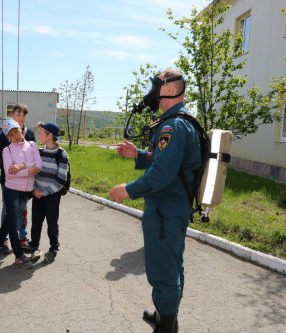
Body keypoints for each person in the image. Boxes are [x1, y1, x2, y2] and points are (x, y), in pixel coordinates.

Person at [109, 69, 201, 333]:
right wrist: (137, 154)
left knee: (163, 270)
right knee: (172, 265)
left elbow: (162, 173)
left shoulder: (173, 125)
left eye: (157, 85)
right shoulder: (180, 121)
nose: (152, 91)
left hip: (165, 210)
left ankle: (166, 326)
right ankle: (165, 316)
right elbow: (170, 161)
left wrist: (128, 190)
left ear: (171, 89)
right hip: (172, 207)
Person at [0, 119, 41, 269]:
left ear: (21, 129)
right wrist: (30, 169)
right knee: (13, 221)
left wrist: (21, 166)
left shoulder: (32, 145)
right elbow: (10, 174)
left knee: (10, 220)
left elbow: (39, 165)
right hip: (12, 191)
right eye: (11, 134)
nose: (15, 135)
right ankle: (19, 255)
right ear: (7, 138)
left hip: (26, 191)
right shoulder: (6, 150)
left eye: (16, 130)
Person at [0, 104, 36, 253]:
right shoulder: (6, 134)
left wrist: (23, 164)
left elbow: (34, 158)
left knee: (22, 210)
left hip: (26, 182)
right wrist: (13, 159)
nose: (21, 118)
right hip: (9, 180)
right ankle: (4, 241)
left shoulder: (30, 134)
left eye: (24, 115)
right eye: (18, 115)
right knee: (7, 210)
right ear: (13, 117)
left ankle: (22, 238)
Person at [29, 122, 69, 263]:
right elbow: (33, 173)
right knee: (36, 223)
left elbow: (61, 179)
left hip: (52, 196)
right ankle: (34, 247)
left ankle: (53, 248)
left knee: (52, 223)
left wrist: (44, 192)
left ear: (50, 135)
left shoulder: (61, 154)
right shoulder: (39, 152)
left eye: (42, 133)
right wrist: (34, 189)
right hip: (37, 194)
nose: (39, 135)